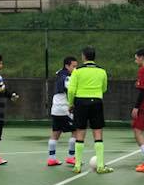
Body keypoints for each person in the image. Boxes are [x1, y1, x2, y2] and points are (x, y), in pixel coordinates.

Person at [67, 46, 113, 174]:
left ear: (83, 57)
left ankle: (77, 166)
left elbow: (71, 90)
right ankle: (100, 166)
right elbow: (104, 88)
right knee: (98, 133)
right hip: (96, 101)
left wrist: (71, 103)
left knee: (80, 133)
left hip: (80, 102)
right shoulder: (102, 71)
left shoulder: (77, 71)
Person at [48, 56, 78, 166]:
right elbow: (71, 91)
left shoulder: (60, 75)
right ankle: (71, 157)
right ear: (67, 66)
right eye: (74, 66)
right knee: (76, 131)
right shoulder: (66, 78)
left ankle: (51, 158)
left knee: (55, 133)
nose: (76, 69)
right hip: (64, 109)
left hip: (55, 109)